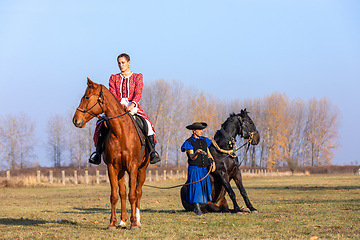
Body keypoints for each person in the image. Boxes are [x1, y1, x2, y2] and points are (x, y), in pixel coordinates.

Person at [89, 53, 161, 165]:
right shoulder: (114, 78)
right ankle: (97, 153)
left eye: (123, 63)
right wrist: (117, 107)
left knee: (147, 123)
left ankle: (152, 152)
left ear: (128, 63)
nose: (121, 65)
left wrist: (131, 105)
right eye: (119, 63)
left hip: (132, 106)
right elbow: (112, 94)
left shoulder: (137, 77)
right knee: (101, 123)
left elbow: (138, 93)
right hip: (116, 107)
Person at [181, 122, 216, 215]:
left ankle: (200, 206)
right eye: (199, 130)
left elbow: (208, 153)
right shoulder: (189, 142)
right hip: (194, 169)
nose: (201, 131)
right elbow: (192, 156)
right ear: (194, 131)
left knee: (203, 188)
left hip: (204, 169)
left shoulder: (204, 140)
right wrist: (196, 153)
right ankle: (196, 207)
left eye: (201, 130)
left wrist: (213, 162)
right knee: (196, 188)